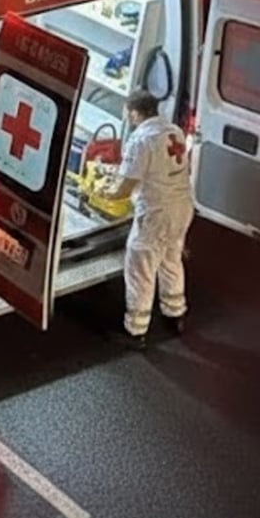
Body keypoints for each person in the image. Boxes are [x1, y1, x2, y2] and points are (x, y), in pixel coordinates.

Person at [97, 88, 195, 348]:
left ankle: (136, 331)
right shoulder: (173, 131)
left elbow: (125, 187)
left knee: (140, 266)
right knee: (170, 259)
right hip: (182, 207)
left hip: (156, 212)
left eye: (128, 113)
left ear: (134, 112)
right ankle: (175, 314)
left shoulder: (141, 140)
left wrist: (104, 191)